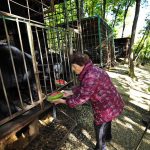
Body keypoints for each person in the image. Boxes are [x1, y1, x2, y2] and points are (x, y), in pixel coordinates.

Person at [53, 52, 124, 150]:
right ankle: (107, 137)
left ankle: (101, 147)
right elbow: (85, 87)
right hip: (112, 101)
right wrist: (70, 92)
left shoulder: (90, 76)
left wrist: (62, 101)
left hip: (105, 106)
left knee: (99, 124)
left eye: (74, 66)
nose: (72, 69)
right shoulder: (92, 70)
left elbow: (81, 98)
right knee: (108, 119)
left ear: (82, 65)